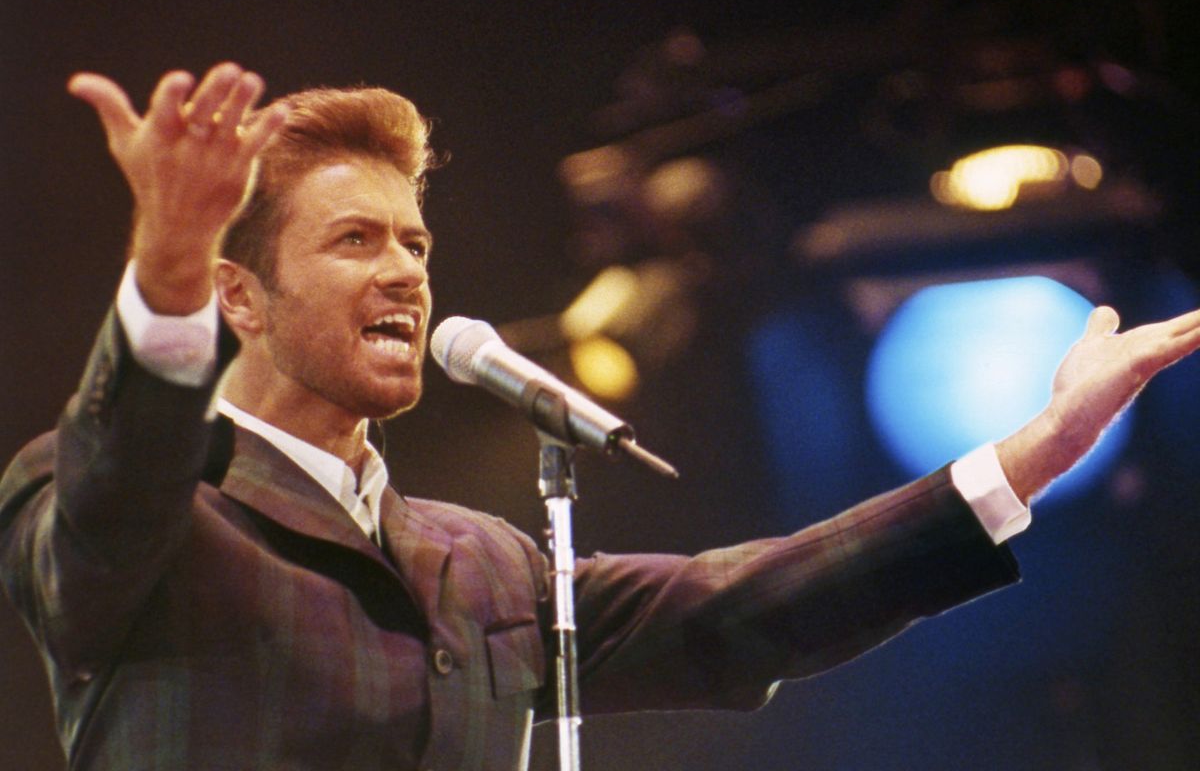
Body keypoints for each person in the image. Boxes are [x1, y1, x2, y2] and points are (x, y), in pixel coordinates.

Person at [1, 62, 1198, 771]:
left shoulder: (486, 562)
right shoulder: (126, 513)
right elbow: (122, 479)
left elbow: (749, 608)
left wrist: (1036, 454)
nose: (409, 271)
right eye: (357, 240)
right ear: (240, 294)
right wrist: (161, 268)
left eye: (416, 241)